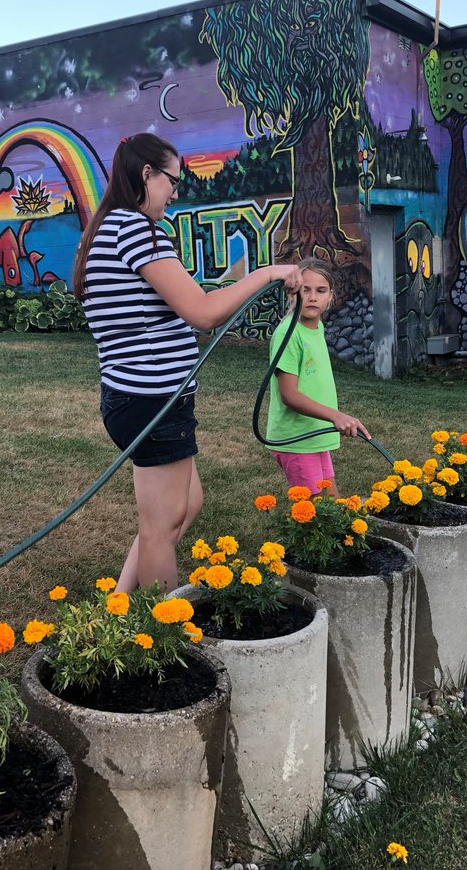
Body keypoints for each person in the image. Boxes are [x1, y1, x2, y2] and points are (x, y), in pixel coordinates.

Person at [73, 132, 303, 593]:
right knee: (162, 524)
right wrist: (267, 273)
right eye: (172, 181)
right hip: (151, 399)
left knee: (188, 503)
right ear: (147, 175)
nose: (175, 193)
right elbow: (201, 312)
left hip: (140, 396)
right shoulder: (136, 228)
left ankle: (119, 603)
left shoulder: (108, 228)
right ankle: (163, 635)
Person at [265, 258, 370, 492]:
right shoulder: (289, 334)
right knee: (315, 516)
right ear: (292, 293)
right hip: (297, 439)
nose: (313, 297)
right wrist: (336, 416)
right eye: (305, 289)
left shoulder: (316, 326)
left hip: (314, 433)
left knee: (331, 507)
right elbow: (289, 395)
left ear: (330, 295)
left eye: (320, 290)